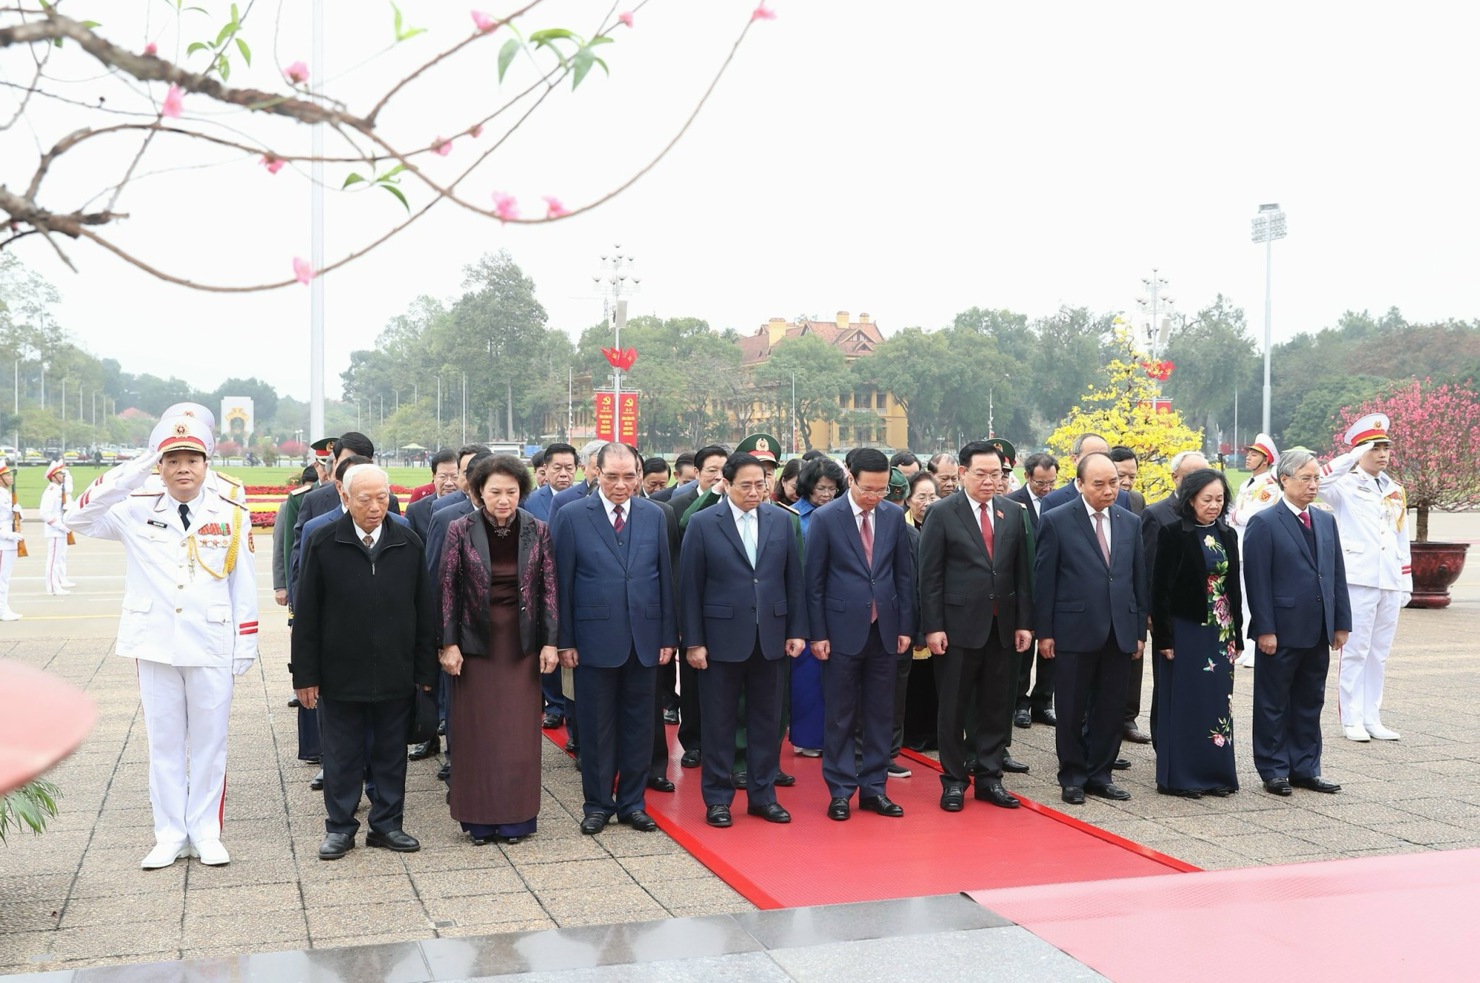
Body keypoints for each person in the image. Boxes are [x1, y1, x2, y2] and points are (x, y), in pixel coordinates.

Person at [65, 416, 258, 867]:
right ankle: (169, 833)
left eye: (192, 459)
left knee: (212, 743)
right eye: (172, 460)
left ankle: (206, 832)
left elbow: (243, 583)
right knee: (164, 743)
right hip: (155, 642)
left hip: (212, 641)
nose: (183, 468)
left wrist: (245, 641)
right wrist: (134, 471)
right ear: (160, 465)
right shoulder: (135, 507)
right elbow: (78, 516)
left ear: (206, 464)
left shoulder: (228, 509)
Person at [292, 464, 437, 859]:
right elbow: (306, 616)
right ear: (344, 498)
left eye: (382, 498)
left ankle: (388, 825)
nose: (375, 507)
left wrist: (425, 674)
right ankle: (340, 828)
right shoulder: (323, 542)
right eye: (365, 499)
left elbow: (424, 611)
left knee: (391, 755)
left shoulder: (407, 541)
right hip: (340, 673)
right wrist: (305, 675)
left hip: (395, 671)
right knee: (342, 755)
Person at [551, 442, 678, 834]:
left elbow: (665, 578)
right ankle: (597, 803)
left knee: (641, 726)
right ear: (596, 473)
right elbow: (561, 582)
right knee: (595, 727)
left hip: (644, 639)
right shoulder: (572, 515)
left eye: (629, 477)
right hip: (592, 640)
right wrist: (565, 640)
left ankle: (633, 803)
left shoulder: (655, 515)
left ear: (639, 476)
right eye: (612, 477)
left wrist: (667, 636)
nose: (621, 485)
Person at [680, 452, 807, 827]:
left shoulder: (782, 521)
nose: (755, 491)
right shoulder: (703, 523)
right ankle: (718, 799)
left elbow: (793, 581)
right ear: (728, 484)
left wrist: (796, 630)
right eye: (746, 485)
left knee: (767, 722)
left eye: (761, 484)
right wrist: (694, 641)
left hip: (770, 636)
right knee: (718, 722)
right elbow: (689, 587)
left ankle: (762, 795)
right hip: (720, 639)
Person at [438, 455, 558, 844]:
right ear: (478, 492)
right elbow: (448, 588)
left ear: (521, 492)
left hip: (521, 644)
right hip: (475, 643)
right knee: (476, 732)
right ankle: (477, 818)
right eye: (495, 492)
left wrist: (551, 642)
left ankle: (516, 818)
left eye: (511, 492)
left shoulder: (537, 530)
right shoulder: (460, 528)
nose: (503, 499)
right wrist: (448, 643)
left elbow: (549, 590)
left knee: (517, 733)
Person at [920, 441, 1034, 812]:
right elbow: (930, 576)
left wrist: (1024, 624)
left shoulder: (1013, 513)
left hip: (1002, 627)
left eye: (997, 475)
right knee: (952, 707)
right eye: (981, 474)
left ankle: (989, 777)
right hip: (956, 627)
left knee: (996, 707)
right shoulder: (942, 513)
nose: (990, 481)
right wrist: (933, 626)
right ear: (963, 473)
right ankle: (953, 780)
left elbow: (1022, 574)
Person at [805, 448, 914, 821]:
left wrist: (905, 627)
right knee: (840, 714)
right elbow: (813, 582)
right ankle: (839, 789)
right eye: (869, 489)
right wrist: (817, 633)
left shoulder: (894, 516)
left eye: (882, 490)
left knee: (881, 713)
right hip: (839, 632)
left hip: (884, 629)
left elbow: (904, 576)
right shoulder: (825, 518)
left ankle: (874, 788)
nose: (875, 497)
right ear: (850, 478)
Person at [1034, 452, 1147, 805]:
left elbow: (1138, 578)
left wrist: (1140, 629)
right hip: (1073, 629)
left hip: (1119, 628)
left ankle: (1101, 773)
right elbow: (1044, 579)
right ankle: (1072, 775)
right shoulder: (1056, 520)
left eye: (1113, 482)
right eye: (1099, 484)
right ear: (1080, 484)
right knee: (1070, 706)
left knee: (1111, 706)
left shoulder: (1129, 521)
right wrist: (1045, 631)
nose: (1109, 490)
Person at [1242, 449, 1351, 797]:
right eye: (1305, 478)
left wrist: (1340, 623)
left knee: (1309, 700)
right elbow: (1257, 581)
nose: (1313, 485)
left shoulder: (1323, 520)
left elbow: (1336, 575)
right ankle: (1274, 769)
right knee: (1273, 702)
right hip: (1282, 630)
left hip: (1318, 628)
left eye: (1316, 477)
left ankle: (1305, 767)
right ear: (1283, 479)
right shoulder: (1265, 522)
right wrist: (1265, 628)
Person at [1150, 468, 1241, 798]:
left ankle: (1216, 773)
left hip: (1221, 629)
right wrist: (1163, 636)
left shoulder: (1227, 535)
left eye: (1219, 499)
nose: (1214, 505)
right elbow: (1159, 589)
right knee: (1186, 700)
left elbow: (1234, 588)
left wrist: (1238, 633)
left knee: (1217, 702)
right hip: (1186, 629)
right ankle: (1182, 777)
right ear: (1190, 500)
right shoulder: (1174, 533)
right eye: (1207, 500)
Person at [1319, 414, 1411, 742]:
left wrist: (1406, 580)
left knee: (1379, 652)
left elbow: (1401, 535)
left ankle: (1373, 715)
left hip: (1388, 578)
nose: (1383, 453)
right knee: (1355, 650)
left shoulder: (1394, 489)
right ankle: (1352, 717)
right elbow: (1320, 479)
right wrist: (1350, 457)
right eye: (1375, 448)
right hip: (1358, 578)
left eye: (1386, 447)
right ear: (1360, 452)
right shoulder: (1345, 484)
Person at [1138, 450, 1210, 746]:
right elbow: (1148, 567)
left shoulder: (1211, 514)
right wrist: (1151, 612)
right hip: (1170, 615)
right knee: (1169, 683)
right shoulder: (1156, 514)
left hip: (1205, 616)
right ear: (1175, 478)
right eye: (1191, 476)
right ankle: (1165, 743)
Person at [789, 455, 848, 758]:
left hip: (837, 602)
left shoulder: (842, 513)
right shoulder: (793, 517)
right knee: (807, 676)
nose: (827, 495)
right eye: (821, 489)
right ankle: (806, 737)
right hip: (803, 601)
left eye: (832, 489)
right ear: (808, 487)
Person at [1007, 452, 1057, 729]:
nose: (1047, 488)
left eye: (1051, 482)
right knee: (1023, 649)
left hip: (1052, 589)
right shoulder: (1012, 504)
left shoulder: (1062, 502)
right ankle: (1019, 703)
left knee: (1051, 648)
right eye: (1041, 483)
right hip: (1024, 587)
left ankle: (1043, 701)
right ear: (1027, 477)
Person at [1229, 433, 1281, 668]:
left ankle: (1252, 648)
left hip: (1254, 547)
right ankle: (1243, 646)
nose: (1248, 457)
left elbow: (1250, 516)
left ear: (1266, 459)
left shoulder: (1269, 487)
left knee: (1252, 600)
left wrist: (1233, 516)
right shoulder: (1246, 483)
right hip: (1238, 545)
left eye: (1254, 454)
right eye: (1249, 453)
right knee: (1240, 600)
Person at [1039, 434, 1132, 513]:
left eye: (1104, 456)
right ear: (1074, 459)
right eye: (1091, 457)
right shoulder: (1053, 501)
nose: (1098, 462)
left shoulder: (1122, 498)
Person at [405, 449, 461, 544]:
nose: (449, 483)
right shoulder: (416, 510)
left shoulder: (471, 508)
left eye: (455, 477)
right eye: (443, 477)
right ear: (434, 477)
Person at [523, 442, 579, 521]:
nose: (563, 474)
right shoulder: (530, 501)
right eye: (557, 468)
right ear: (546, 468)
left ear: (576, 469)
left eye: (569, 468)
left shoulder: (586, 498)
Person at [40, 460, 72, 595]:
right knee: (53, 560)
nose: (62, 476)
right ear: (53, 477)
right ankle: (52, 588)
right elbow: (44, 513)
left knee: (58, 559)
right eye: (59, 474)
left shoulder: (58, 489)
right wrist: (60, 526)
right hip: (55, 530)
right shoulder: (52, 490)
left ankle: (57, 583)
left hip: (60, 529)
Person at [0, 460, 25, 622]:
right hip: (3, 542)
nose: (10, 477)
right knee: (2, 579)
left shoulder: (7, 494)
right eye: (7, 475)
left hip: (10, 542)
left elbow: (17, 516)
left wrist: (19, 511)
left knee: (5, 578)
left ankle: (4, 607)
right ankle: (2, 610)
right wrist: (8, 535)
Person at [1108, 446, 1146, 514]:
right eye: (1120, 476)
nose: (1127, 482)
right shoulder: (1094, 498)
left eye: (1132, 477)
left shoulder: (1138, 500)